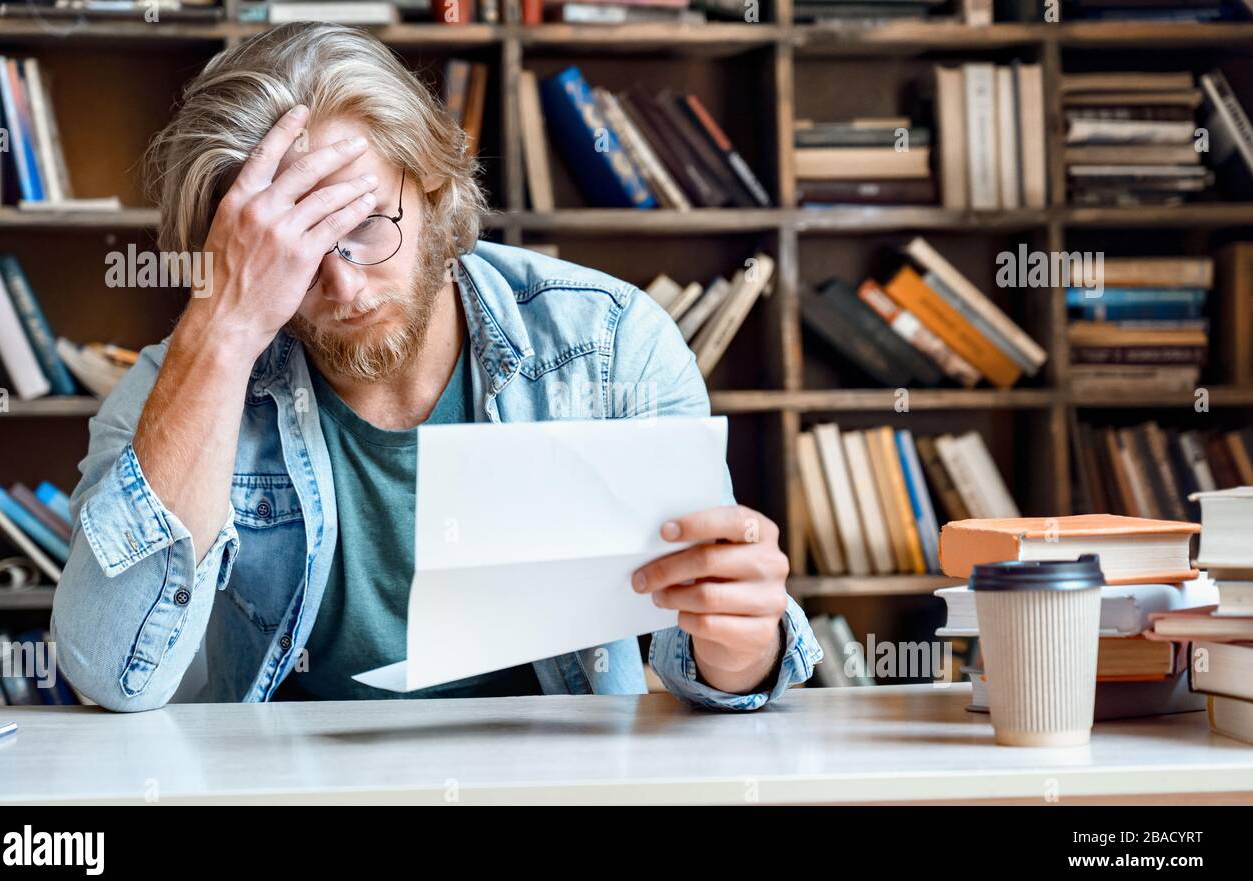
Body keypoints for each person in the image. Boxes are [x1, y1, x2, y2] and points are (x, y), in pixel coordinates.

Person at [51, 23, 820, 712]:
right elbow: (111, 674)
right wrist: (222, 328)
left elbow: (705, 655)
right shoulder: (176, 388)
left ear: (432, 190)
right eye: (293, 255)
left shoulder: (612, 345)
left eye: (366, 225)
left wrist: (743, 654)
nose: (345, 285)